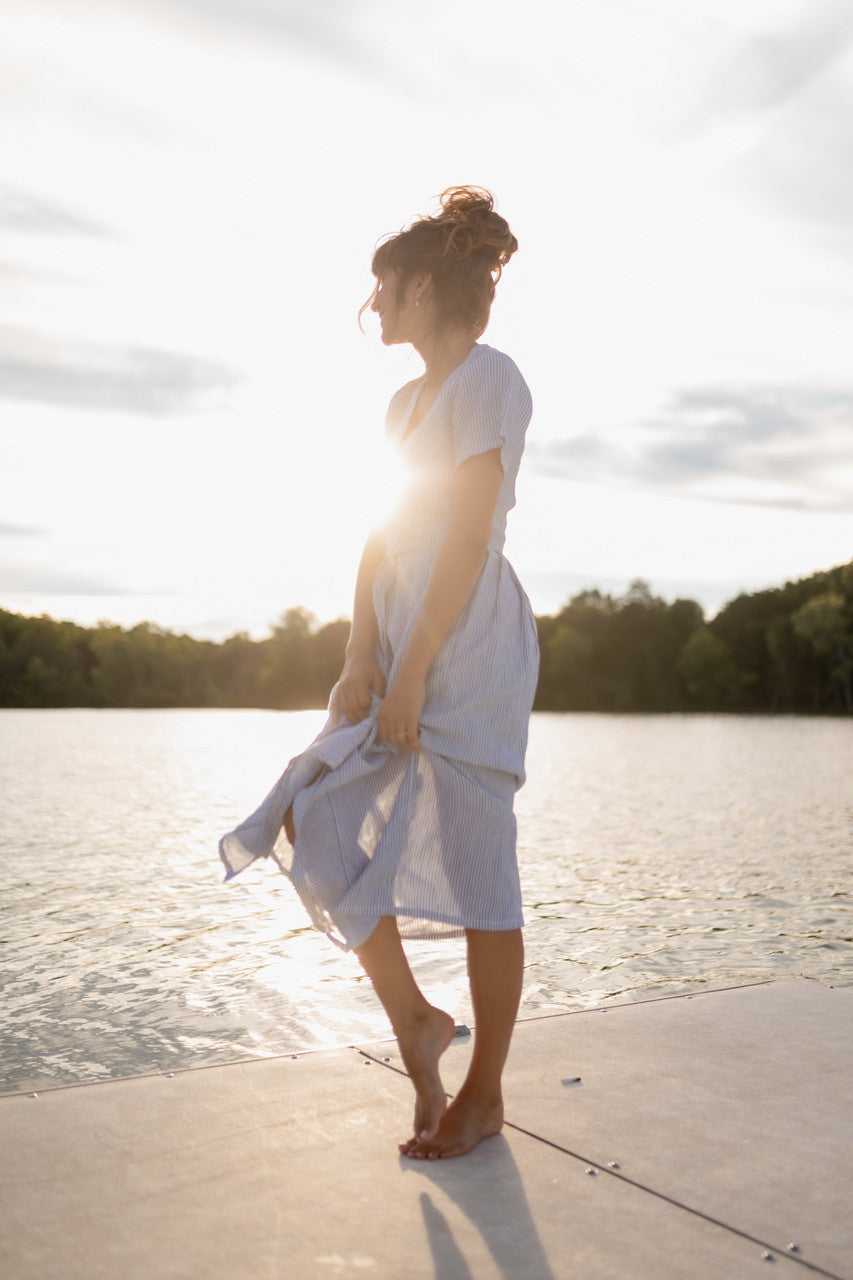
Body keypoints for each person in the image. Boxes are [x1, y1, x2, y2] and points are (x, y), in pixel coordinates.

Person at [219, 186, 539, 1159]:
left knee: (484, 873)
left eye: (384, 285)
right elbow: (381, 530)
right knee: (311, 810)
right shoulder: (404, 402)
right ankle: (416, 1019)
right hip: (400, 631)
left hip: (468, 636)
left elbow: (465, 532)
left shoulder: (490, 379)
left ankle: (482, 1093)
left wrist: (418, 671)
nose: (372, 303)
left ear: (425, 286)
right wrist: (362, 656)